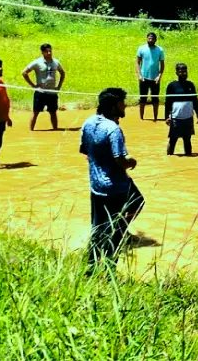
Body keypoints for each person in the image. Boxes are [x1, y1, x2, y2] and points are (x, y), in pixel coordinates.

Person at [80, 88, 145, 270]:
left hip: (96, 185)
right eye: (122, 103)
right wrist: (131, 161)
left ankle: (91, 267)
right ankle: (110, 270)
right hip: (116, 187)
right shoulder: (113, 129)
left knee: (98, 226)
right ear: (112, 106)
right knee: (116, 229)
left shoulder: (88, 123)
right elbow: (120, 161)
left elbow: (85, 151)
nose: (125, 106)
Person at [22, 43, 65, 130]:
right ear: (42, 52)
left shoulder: (56, 62)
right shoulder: (37, 62)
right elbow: (24, 72)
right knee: (35, 112)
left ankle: (55, 130)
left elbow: (62, 73)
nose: (49, 53)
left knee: (53, 112)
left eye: (50, 51)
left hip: (52, 92)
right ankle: (31, 131)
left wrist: (59, 86)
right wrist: (33, 85)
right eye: (46, 51)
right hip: (40, 92)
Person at [165, 63, 198, 156]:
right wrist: (166, 117)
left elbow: (194, 99)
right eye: (181, 71)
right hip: (176, 116)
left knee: (187, 138)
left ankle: (188, 155)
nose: (184, 73)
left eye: (185, 71)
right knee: (173, 139)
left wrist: (197, 112)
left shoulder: (190, 85)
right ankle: (169, 156)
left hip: (188, 116)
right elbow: (168, 102)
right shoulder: (172, 86)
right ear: (176, 72)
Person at [135, 32, 165, 121]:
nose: (150, 40)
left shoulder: (160, 50)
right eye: (149, 38)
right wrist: (139, 75)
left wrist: (159, 76)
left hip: (155, 79)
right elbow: (137, 62)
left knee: (155, 99)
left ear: (155, 40)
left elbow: (162, 64)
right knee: (143, 98)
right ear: (146, 39)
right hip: (143, 78)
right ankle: (141, 118)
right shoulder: (141, 48)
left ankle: (155, 118)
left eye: (152, 38)